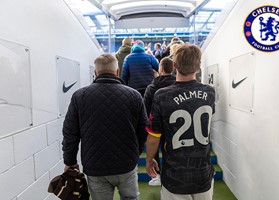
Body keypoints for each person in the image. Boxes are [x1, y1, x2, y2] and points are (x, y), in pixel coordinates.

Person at [62, 54, 148, 200]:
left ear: (95, 73)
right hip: (126, 163)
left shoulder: (79, 96)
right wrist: (135, 153)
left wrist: (69, 161)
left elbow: (70, 133)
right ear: (117, 72)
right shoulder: (134, 95)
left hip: (95, 165)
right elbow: (143, 131)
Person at [145, 44, 215, 200]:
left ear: (175, 66)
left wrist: (149, 160)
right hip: (203, 173)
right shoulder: (209, 92)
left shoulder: (162, 95)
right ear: (198, 66)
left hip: (175, 177)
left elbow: (153, 138)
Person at [144, 57, 176, 186]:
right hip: (174, 125)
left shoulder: (151, 87)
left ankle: (156, 175)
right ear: (173, 68)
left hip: (155, 125)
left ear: (160, 69)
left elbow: (145, 109)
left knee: (154, 147)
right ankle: (171, 174)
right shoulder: (178, 85)